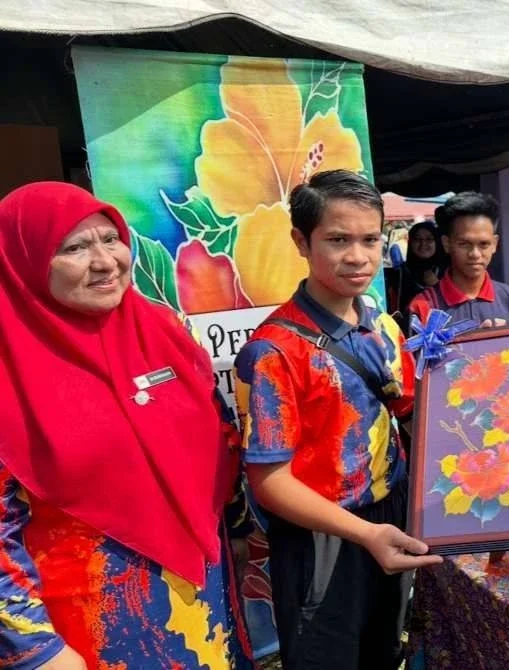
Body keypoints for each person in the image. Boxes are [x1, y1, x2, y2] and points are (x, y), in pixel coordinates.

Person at [0, 182, 252, 669]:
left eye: (111, 239)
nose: (105, 261)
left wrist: (237, 525)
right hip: (86, 623)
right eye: (74, 247)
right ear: (22, 260)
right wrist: (36, 651)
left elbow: (217, 433)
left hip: (204, 590)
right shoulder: (9, 366)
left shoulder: (161, 330)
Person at [233, 170, 441, 670]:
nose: (358, 256)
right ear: (301, 242)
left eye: (371, 239)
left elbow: (415, 413)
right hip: (321, 539)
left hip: (391, 515)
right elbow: (269, 481)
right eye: (338, 240)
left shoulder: (383, 324)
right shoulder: (274, 350)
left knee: (384, 651)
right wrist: (364, 534)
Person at [408, 191, 509, 329]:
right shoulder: (422, 306)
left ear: (494, 244)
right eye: (464, 244)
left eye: (483, 244)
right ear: (446, 244)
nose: (475, 254)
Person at [384, 219, 446, 325]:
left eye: (429, 239)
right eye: (417, 239)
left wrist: (437, 285)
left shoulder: (447, 269)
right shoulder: (400, 273)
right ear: (410, 242)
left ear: (437, 242)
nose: (423, 244)